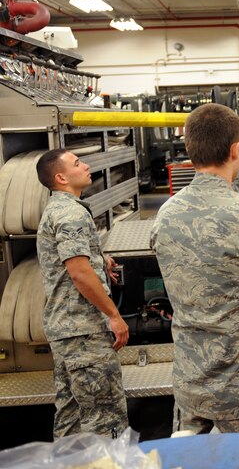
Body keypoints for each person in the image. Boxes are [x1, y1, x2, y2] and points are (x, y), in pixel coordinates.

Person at [150, 103, 239, 437]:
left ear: (188, 149)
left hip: (191, 381)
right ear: (236, 150)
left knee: (188, 459)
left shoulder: (164, 216)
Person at [35, 149, 129, 439]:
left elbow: (75, 262)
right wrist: (113, 315)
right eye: (78, 163)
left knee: (72, 417)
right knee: (104, 416)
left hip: (67, 333)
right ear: (61, 177)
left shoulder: (58, 209)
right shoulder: (71, 213)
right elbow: (78, 272)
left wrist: (100, 260)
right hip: (85, 333)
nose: (86, 165)